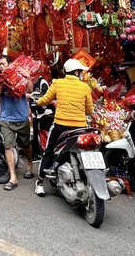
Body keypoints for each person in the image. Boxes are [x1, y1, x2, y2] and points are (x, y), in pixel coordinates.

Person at [33, 58, 93, 196]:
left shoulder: (57, 83)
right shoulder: (85, 87)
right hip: (80, 128)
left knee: (48, 151)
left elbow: (44, 101)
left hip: (61, 126)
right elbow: (89, 110)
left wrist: (37, 101)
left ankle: (40, 182)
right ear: (77, 72)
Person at [0, 54, 34, 191]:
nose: (1, 66)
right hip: (6, 118)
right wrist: (2, 80)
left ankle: (29, 164)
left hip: (22, 117)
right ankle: (13, 177)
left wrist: (27, 77)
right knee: (8, 146)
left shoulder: (20, 75)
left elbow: (30, 90)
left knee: (26, 144)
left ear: (10, 64)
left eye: (3, 64)